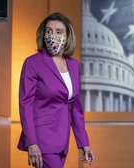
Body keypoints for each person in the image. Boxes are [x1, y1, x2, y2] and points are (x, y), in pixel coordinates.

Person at [17, 12, 95, 168]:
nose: (53, 35)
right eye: (49, 31)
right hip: (42, 139)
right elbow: (25, 104)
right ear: (43, 34)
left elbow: (75, 109)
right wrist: (31, 142)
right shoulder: (33, 62)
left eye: (58, 32)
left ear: (67, 36)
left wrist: (83, 143)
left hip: (62, 141)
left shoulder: (74, 65)